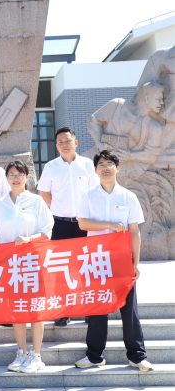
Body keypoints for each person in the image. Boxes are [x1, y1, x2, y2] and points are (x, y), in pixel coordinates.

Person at [74, 150, 153, 372]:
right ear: (95, 170)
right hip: (97, 259)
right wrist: (108, 226)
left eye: (110, 163)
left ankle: (137, 356)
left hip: (121, 260)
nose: (106, 167)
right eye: (101, 164)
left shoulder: (128, 197)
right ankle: (94, 356)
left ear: (117, 168)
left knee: (129, 309)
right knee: (98, 307)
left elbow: (135, 231)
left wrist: (135, 263)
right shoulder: (88, 196)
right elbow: (83, 223)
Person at [0, 161, 53, 374]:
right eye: (12, 175)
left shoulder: (36, 201)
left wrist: (28, 239)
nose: (16, 178)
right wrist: (3, 251)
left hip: (32, 261)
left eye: (20, 174)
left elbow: (47, 231)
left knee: (35, 308)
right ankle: (21, 352)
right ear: (6, 178)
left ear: (27, 177)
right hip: (11, 265)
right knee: (17, 309)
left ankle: (37, 354)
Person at [38, 127, 98, 327]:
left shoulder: (87, 165)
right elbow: (44, 192)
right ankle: (63, 311)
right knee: (62, 268)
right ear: (56, 146)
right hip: (61, 224)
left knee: (85, 267)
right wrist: (57, 207)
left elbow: (95, 192)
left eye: (67, 140)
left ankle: (88, 310)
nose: (64, 144)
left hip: (84, 224)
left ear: (76, 142)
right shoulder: (51, 167)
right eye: (60, 142)